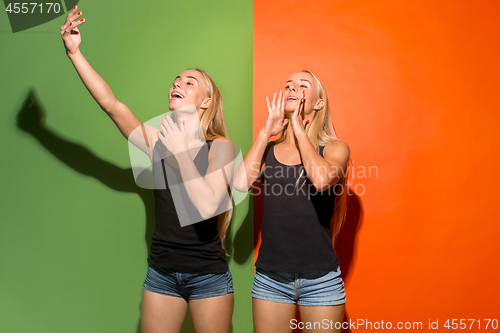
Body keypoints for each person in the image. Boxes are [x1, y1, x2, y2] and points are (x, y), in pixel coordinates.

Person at [60, 6, 235, 333]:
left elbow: (207, 206)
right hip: (162, 274)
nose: (177, 84)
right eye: (175, 81)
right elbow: (112, 105)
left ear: (206, 102)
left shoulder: (220, 147)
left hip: (208, 277)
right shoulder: (159, 142)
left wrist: (181, 153)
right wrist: (75, 53)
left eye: (189, 82)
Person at [234, 70, 350, 332]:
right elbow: (240, 184)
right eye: (288, 85)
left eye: (302, 85)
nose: (292, 89)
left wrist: (298, 127)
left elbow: (320, 180)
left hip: (321, 280)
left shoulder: (334, 148)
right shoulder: (269, 150)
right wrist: (266, 132)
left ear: (318, 103)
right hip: (270, 278)